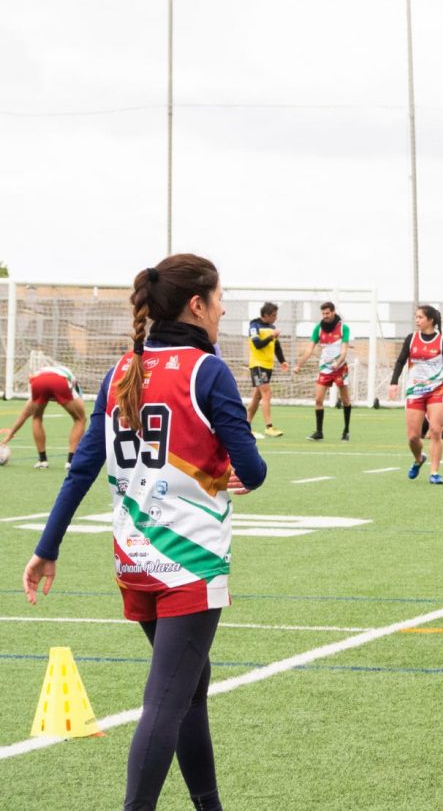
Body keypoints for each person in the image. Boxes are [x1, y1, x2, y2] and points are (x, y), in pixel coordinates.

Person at [22, 254, 266, 811]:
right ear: (196, 305)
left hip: (133, 561)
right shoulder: (207, 371)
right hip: (190, 562)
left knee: (189, 691)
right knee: (165, 701)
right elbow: (252, 470)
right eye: (220, 298)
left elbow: (82, 467)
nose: (225, 308)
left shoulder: (120, 372)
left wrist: (46, 548)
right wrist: (230, 468)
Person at [388, 304, 443, 484]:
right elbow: (400, 362)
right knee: (413, 437)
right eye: (416, 317)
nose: (417, 320)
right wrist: (394, 383)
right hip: (414, 392)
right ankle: (418, 459)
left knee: (436, 431)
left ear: (431, 320)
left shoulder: (442, 342)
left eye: (420, 317)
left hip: (435, 392)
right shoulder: (411, 339)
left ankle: (434, 472)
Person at [0, 364, 87, 470]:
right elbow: (81, 409)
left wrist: (10, 435)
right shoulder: (71, 382)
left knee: (36, 417)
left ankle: (42, 461)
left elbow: (24, 415)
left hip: (38, 381)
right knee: (80, 419)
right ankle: (71, 461)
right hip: (59, 381)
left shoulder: (42, 375)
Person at [292, 301, 352, 441]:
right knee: (318, 399)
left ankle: (346, 430)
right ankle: (319, 432)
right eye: (323, 313)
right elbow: (309, 349)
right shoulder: (318, 329)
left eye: (328, 313)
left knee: (345, 399)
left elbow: (344, 350)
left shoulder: (343, 328)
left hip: (340, 368)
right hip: (325, 368)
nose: (325, 316)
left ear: (333, 312)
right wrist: (299, 365)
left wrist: (338, 363)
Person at [245, 301, 289, 439]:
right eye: (274, 315)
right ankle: (269, 427)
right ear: (266, 315)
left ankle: (245, 426)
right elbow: (257, 344)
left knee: (257, 397)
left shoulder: (272, 327)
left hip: (268, 366)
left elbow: (276, 346)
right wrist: (271, 337)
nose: (276, 317)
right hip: (258, 365)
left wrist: (282, 361)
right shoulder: (254, 326)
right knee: (267, 394)